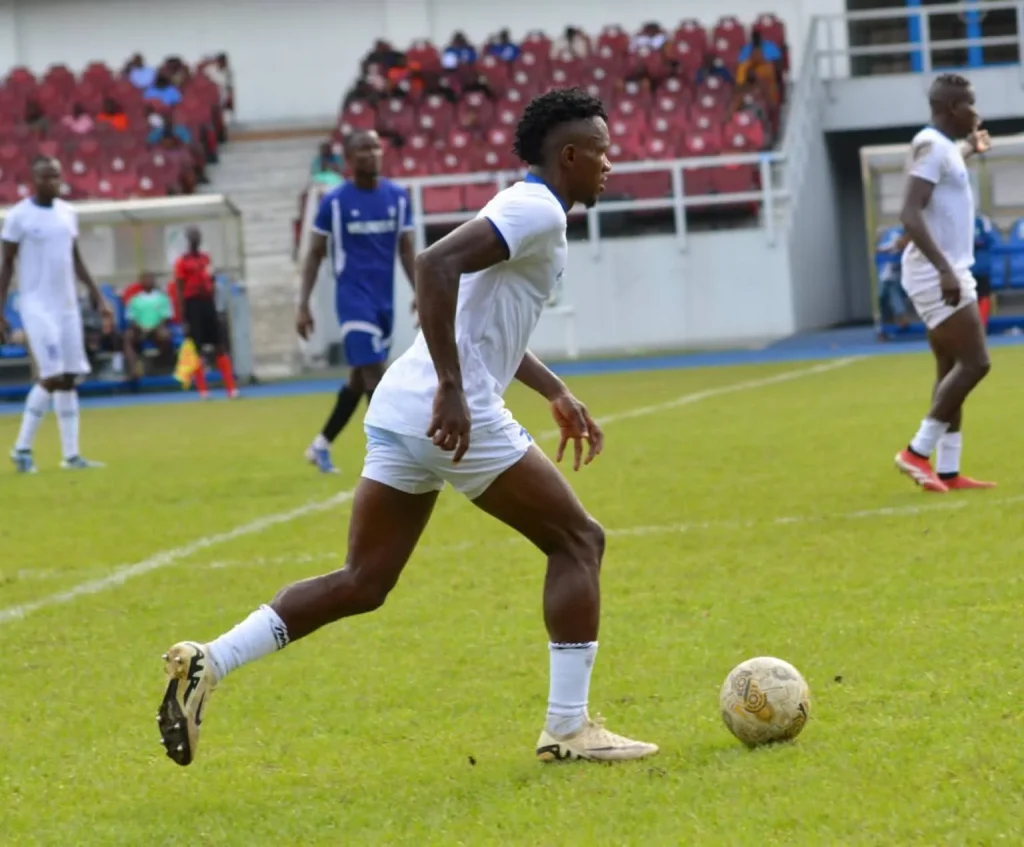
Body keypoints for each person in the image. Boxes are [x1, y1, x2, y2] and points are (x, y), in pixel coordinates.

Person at [156, 87, 658, 767]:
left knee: (365, 580)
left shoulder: (531, 208)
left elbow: (482, 316)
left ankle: (208, 661)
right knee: (579, 541)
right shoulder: (536, 205)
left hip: (402, 405)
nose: (610, 164)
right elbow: (433, 264)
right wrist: (454, 389)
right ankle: (567, 727)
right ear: (569, 154)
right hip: (449, 410)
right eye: (601, 151)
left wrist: (554, 389)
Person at [894, 74, 995, 493]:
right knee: (976, 364)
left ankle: (949, 471)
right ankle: (917, 452)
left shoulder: (943, 147)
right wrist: (944, 270)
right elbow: (910, 213)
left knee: (952, 368)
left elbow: (951, 159)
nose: (976, 111)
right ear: (953, 108)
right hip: (940, 272)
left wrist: (972, 147)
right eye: (970, 104)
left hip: (946, 269)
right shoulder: (931, 146)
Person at [297, 130, 416, 474]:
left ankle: (320, 445)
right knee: (376, 377)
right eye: (363, 148)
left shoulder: (397, 197)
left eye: (376, 146)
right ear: (348, 160)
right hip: (352, 301)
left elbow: (406, 249)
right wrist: (303, 304)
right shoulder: (334, 202)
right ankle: (391, 456)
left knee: (358, 378)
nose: (372, 153)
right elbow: (315, 253)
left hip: (384, 303)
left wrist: (420, 291)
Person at [0, 157, 112, 472]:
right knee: (49, 375)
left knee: (68, 379)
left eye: (57, 176)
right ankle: (22, 449)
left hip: (66, 306)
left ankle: (72, 456)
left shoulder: (68, 213)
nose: (54, 181)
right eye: (47, 176)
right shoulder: (19, 217)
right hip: (36, 305)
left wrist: (97, 295)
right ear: (33, 180)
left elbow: (74, 257)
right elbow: (6, 264)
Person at [173, 227, 238, 399]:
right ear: (187, 240)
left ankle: (231, 389)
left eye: (197, 236)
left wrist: (213, 296)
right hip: (192, 305)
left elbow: (212, 279)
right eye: (192, 236)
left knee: (220, 345)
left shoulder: (206, 258)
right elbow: (180, 289)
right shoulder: (182, 262)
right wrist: (183, 316)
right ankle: (203, 391)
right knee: (196, 348)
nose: (195, 239)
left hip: (207, 303)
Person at [123, 271, 174, 388]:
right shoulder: (135, 300)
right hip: (140, 329)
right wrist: (141, 328)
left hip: (157, 329)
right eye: (145, 279)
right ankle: (134, 371)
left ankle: (161, 368)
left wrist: (153, 328)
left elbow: (166, 317)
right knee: (128, 337)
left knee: (165, 335)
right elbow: (131, 318)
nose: (148, 281)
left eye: (150, 278)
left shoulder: (162, 298)